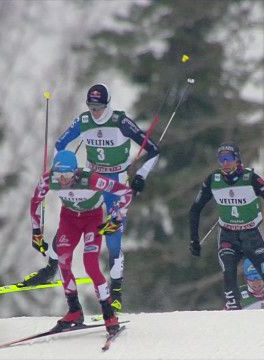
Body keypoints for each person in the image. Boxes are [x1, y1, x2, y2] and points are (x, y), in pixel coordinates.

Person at [20, 84, 160, 313]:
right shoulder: (83, 121)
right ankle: (51, 268)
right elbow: (59, 144)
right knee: (71, 221)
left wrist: (141, 176)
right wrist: (60, 170)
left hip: (116, 180)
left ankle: (116, 292)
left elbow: (153, 150)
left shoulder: (120, 122)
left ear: (108, 104)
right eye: (91, 106)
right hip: (91, 179)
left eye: (99, 107)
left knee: (113, 235)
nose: (95, 112)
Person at [29, 150, 133, 334]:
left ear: (75, 173)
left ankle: (109, 314)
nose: (62, 180)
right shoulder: (49, 179)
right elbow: (36, 201)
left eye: (67, 175)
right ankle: (74, 310)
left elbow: (125, 193)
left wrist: (116, 219)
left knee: (91, 265)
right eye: (59, 174)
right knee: (62, 260)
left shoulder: (91, 179)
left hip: (92, 219)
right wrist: (36, 232)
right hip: (69, 219)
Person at [188, 142, 264, 310]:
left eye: (228, 158)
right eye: (221, 159)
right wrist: (194, 240)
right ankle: (235, 323)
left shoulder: (251, 178)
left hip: (251, 235)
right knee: (229, 279)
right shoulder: (213, 180)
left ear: (237, 159)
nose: (225, 163)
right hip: (228, 236)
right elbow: (195, 210)